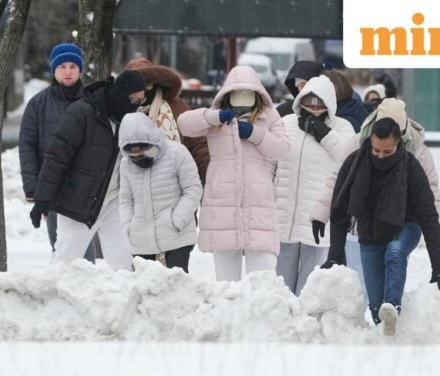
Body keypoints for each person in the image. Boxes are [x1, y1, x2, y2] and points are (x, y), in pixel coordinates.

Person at [321, 117, 440, 336]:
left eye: (388, 151)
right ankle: (385, 333)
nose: (380, 156)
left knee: (395, 252)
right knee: (376, 306)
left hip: (406, 225)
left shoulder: (410, 166)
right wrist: (335, 256)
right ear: (369, 142)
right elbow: (339, 211)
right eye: (376, 151)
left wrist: (439, 267)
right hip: (371, 231)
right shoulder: (355, 163)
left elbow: (428, 215)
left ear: (399, 144)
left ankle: (393, 305)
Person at [178, 65, 290, 282]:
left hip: (258, 203)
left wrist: (256, 134)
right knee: (226, 281)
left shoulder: (269, 116)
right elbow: (184, 125)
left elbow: (283, 149)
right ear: (228, 93)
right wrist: (213, 117)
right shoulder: (217, 119)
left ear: (257, 93)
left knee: (263, 278)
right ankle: (227, 305)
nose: (243, 97)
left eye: (248, 93)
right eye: (237, 93)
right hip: (223, 201)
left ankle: (261, 305)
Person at [31, 69, 148, 270]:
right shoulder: (83, 113)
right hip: (77, 202)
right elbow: (57, 158)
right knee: (66, 262)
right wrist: (42, 199)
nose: (137, 106)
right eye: (133, 100)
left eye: (141, 101)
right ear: (121, 94)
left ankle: (127, 290)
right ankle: (53, 289)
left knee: (124, 260)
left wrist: (143, 157)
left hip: (112, 201)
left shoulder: (129, 120)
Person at [275, 75, 355, 296]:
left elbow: (349, 158)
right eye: (309, 100)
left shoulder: (342, 127)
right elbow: (272, 160)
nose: (314, 106)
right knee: (280, 286)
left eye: (320, 101)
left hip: (317, 218)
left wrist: (323, 133)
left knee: (310, 286)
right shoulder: (286, 123)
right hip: (284, 215)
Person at [19, 42, 95, 262]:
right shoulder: (38, 104)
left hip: (85, 187)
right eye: (62, 66)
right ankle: (63, 280)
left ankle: (88, 279)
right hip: (52, 185)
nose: (68, 71)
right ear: (54, 69)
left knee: (83, 243)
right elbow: (28, 146)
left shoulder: (92, 101)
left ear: (80, 69)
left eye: (73, 66)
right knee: (59, 243)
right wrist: (34, 190)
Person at [118, 113, 202, 272]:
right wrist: (128, 226)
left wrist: (177, 220)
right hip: (141, 238)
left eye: (142, 152)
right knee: (144, 283)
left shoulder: (177, 153)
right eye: (133, 156)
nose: (137, 158)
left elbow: (193, 189)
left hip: (177, 235)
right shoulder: (125, 164)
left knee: (177, 282)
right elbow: (125, 199)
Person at [125, 57, 210, 184]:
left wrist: (208, 174)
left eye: (147, 83)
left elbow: (197, 143)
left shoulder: (175, 105)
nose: (143, 90)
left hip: (174, 187)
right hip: (133, 187)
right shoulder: (121, 109)